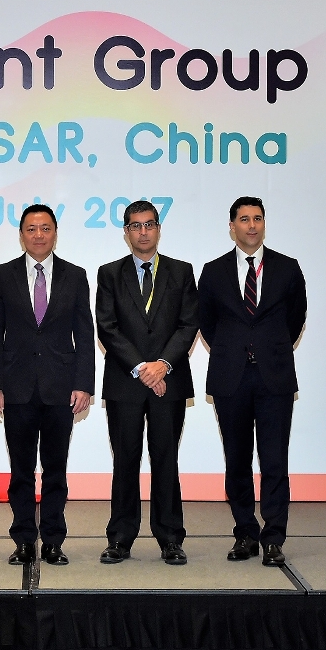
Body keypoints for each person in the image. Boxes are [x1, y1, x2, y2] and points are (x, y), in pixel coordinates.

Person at [0, 204, 95, 567]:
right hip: (15, 389)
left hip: (61, 389)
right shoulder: (3, 275)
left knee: (56, 471)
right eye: (31, 229)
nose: (38, 235)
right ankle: (23, 540)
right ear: (21, 234)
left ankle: (53, 541)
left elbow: (85, 332)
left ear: (55, 232)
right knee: (20, 471)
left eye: (45, 228)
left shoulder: (75, 276)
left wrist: (84, 384)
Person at [197, 197, 306, 567]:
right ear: (232, 226)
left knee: (275, 461)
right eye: (244, 219)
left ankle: (274, 536)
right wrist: (235, 350)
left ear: (264, 223)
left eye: (257, 218)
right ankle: (245, 532)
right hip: (231, 378)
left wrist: (268, 348)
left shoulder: (287, 268)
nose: (252, 225)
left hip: (274, 377)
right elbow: (207, 324)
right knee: (237, 461)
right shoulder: (212, 272)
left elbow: (295, 318)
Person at [95, 201, 199, 566]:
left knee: (166, 459)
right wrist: (142, 367)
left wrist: (163, 365)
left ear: (158, 229)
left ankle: (170, 537)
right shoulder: (109, 273)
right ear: (126, 232)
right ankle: (120, 538)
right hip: (126, 382)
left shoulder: (182, 272)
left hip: (169, 381)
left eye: (149, 224)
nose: (143, 231)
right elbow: (106, 327)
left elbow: (189, 324)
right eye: (135, 226)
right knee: (125, 460)